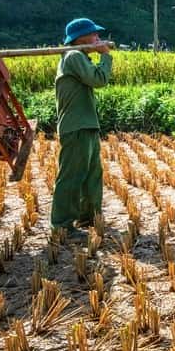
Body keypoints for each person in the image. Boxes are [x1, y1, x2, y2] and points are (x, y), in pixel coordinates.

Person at [50, 18, 112, 238]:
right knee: (72, 175)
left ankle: (90, 217)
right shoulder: (74, 56)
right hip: (76, 125)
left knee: (92, 174)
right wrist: (105, 55)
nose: (97, 38)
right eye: (93, 34)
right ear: (80, 38)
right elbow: (98, 79)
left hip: (86, 124)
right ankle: (61, 224)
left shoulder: (80, 57)